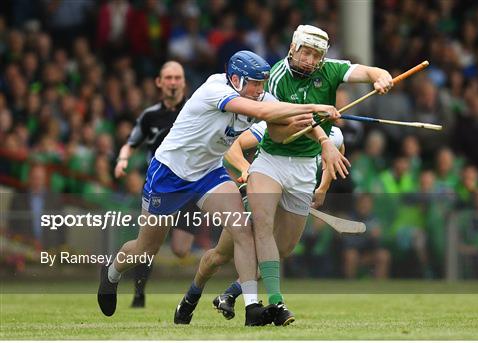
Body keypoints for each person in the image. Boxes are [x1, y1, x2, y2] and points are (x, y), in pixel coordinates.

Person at [97, 50, 341, 327]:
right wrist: (314, 107)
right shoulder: (214, 89)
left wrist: (323, 139)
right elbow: (264, 113)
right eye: (254, 83)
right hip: (170, 174)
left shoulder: (259, 96)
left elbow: (283, 114)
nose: (260, 90)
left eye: (263, 83)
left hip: (209, 173)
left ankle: (252, 307)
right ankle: (112, 272)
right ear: (236, 79)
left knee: (242, 229)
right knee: (146, 249)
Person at [179, 25, 393, 326]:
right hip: (270, 164)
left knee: (283, 249)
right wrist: (245, 168)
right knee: (224, 252)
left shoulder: (333, 113)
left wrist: (380, 76)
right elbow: (270, 131)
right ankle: (198, 296)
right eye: (305, 52)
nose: (309, 59)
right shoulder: (276, 80)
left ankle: (229, 294)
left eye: (316, 55)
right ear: (293, 49)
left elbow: (366, 73)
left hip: (303, 171)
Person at [113, 61, 196, 308]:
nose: (172, 82)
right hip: (159, 186)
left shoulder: (195, 109)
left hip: (189, 186)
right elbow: (130, 142)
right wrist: (122, 160)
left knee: (181, 250)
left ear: (184, 82)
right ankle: (139, 293)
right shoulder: (150, 116)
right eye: (168, 78)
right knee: (147, 246)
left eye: (177, 78)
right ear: (159, 82)